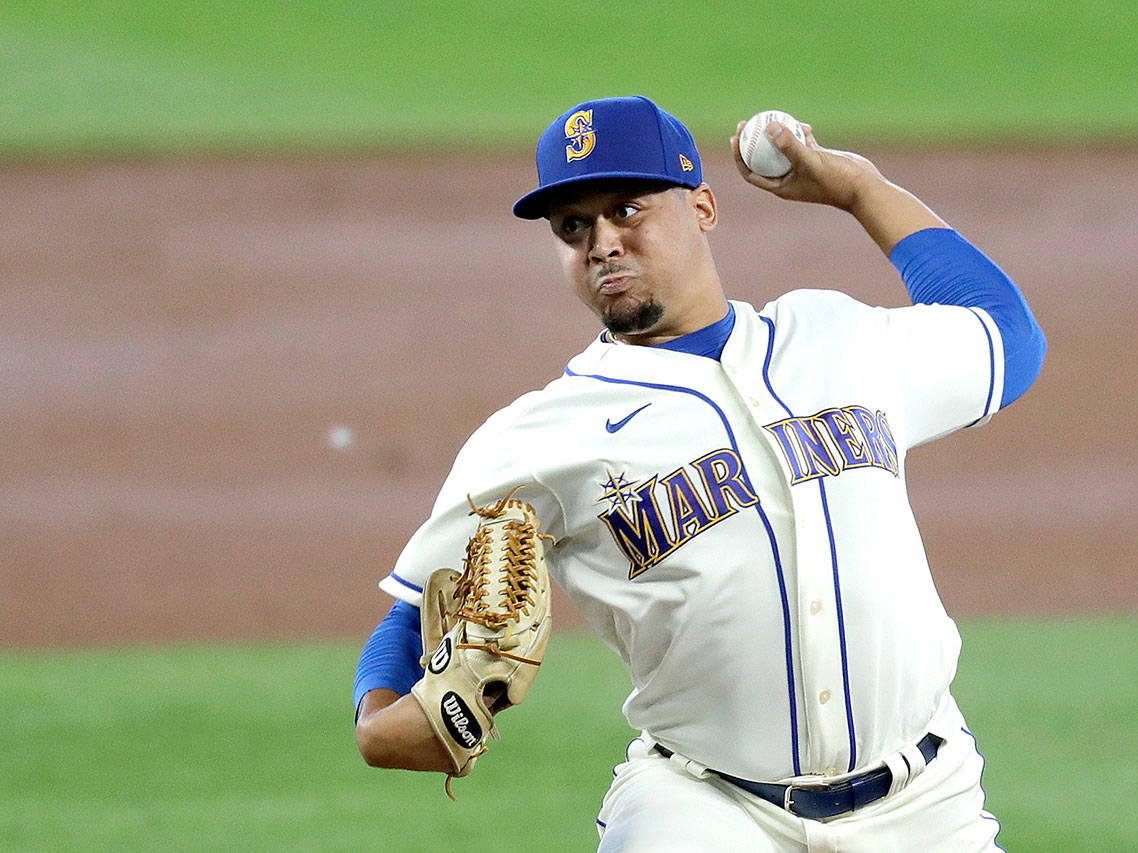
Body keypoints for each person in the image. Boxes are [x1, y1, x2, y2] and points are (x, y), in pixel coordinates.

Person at [353, 95, 1045, 851]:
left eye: (627, 209)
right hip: (705, 808)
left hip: (924, 804)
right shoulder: (537, 437)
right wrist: (382, 724)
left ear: (704, 207)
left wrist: (859, 189)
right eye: (573, 227)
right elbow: (409, 613)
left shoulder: (838, 337)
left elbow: (1009, 336)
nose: (602, 243)